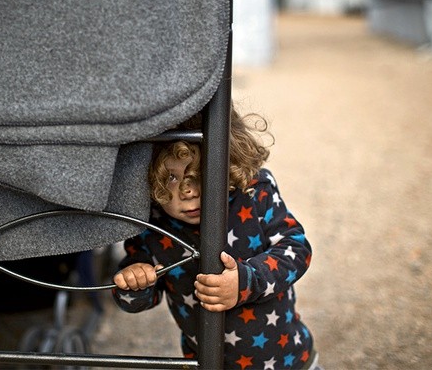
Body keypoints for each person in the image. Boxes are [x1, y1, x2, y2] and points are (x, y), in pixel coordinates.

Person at [112, 107, 320, 370]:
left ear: (228, 161)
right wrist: (134, 282)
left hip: (287, 360)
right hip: (207, 363)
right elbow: (136, 301)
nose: (188, 191)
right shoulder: (153, 224)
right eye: (172, 177)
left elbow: (297, 248)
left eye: (199, 173)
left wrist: (246, 281)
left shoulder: (254, 192)